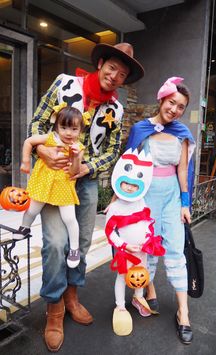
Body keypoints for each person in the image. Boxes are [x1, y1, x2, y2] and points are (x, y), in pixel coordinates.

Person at [28, 42, 144, 351]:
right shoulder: (65, 84)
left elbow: (110, 151)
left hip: (86, 183)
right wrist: (42, 150)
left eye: (122, 73)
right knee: (55, 242)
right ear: (101, 63)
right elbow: (38, 122)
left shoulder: (116, 110)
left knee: (79, 243)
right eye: (112, 68)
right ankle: (54, 306)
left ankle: (72, 295)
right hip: (54, 177)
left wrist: (89, 167)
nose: (115, 75)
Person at [126, 77, 196, 345]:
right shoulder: (141, 129)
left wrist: (185, 202)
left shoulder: (182, 134)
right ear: (162, 99)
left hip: (170, 197)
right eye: (172, 103)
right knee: (146, 247)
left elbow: (182, 170)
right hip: (144, 195)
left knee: (176, 251)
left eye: (181, 106)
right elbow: (128, 165)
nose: (175, 110)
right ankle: (149, 287)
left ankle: (184, 313)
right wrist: (121, 199)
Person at [13, 105, 85, 268]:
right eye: (64, 127)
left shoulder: (78, 148)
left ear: (80, 130)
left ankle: (74, 248)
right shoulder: (51, 138)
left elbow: (74, 172)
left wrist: (74, 157)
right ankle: (24, 228)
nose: (68, 133)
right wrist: (25, 161)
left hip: (64, 185)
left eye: (73, 129)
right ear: (56, 126)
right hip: (44, 182)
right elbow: (29, 141)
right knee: (32, 209)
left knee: (69, 218)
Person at [105, 149, 165, 336]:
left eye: (134, 185)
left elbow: (148, 222)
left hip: (142, 251)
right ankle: (120, 306)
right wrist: (123, 246)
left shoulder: (142, 203)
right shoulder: (114, 207)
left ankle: (138, 298)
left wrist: (149, 239)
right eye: (126, 184)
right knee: (123, 278)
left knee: (141, 275)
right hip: (125, 252)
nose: (130, 188)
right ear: (119, 182)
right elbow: (110, 232)